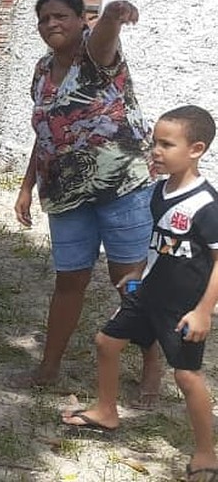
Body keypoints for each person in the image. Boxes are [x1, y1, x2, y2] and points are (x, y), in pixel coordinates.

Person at [13, 0, 162, 400]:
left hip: (122, 188)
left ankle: (152, 365)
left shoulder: (97, 58)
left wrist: (113, 16)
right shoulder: (42, 70)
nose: (51, 24)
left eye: (61, 15)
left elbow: (104, 41)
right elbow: (44, 133)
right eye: (44, 19)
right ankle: (48, 367)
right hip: (64, 192)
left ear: (81, 19)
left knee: (127, 280)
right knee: (69, 279)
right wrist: (26, 187)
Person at [61, 105, 218, 481]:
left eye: (167, 144)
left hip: (181, 307)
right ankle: (106, 411)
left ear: (196, 149)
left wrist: (202, 311)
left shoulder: (207, 205)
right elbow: (159, 241)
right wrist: (137, 271)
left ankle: (206, 453)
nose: (157, 151)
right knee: (105, 342)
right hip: (147, 292)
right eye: (155, 143)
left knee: (187, 377)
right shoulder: (159, 190)